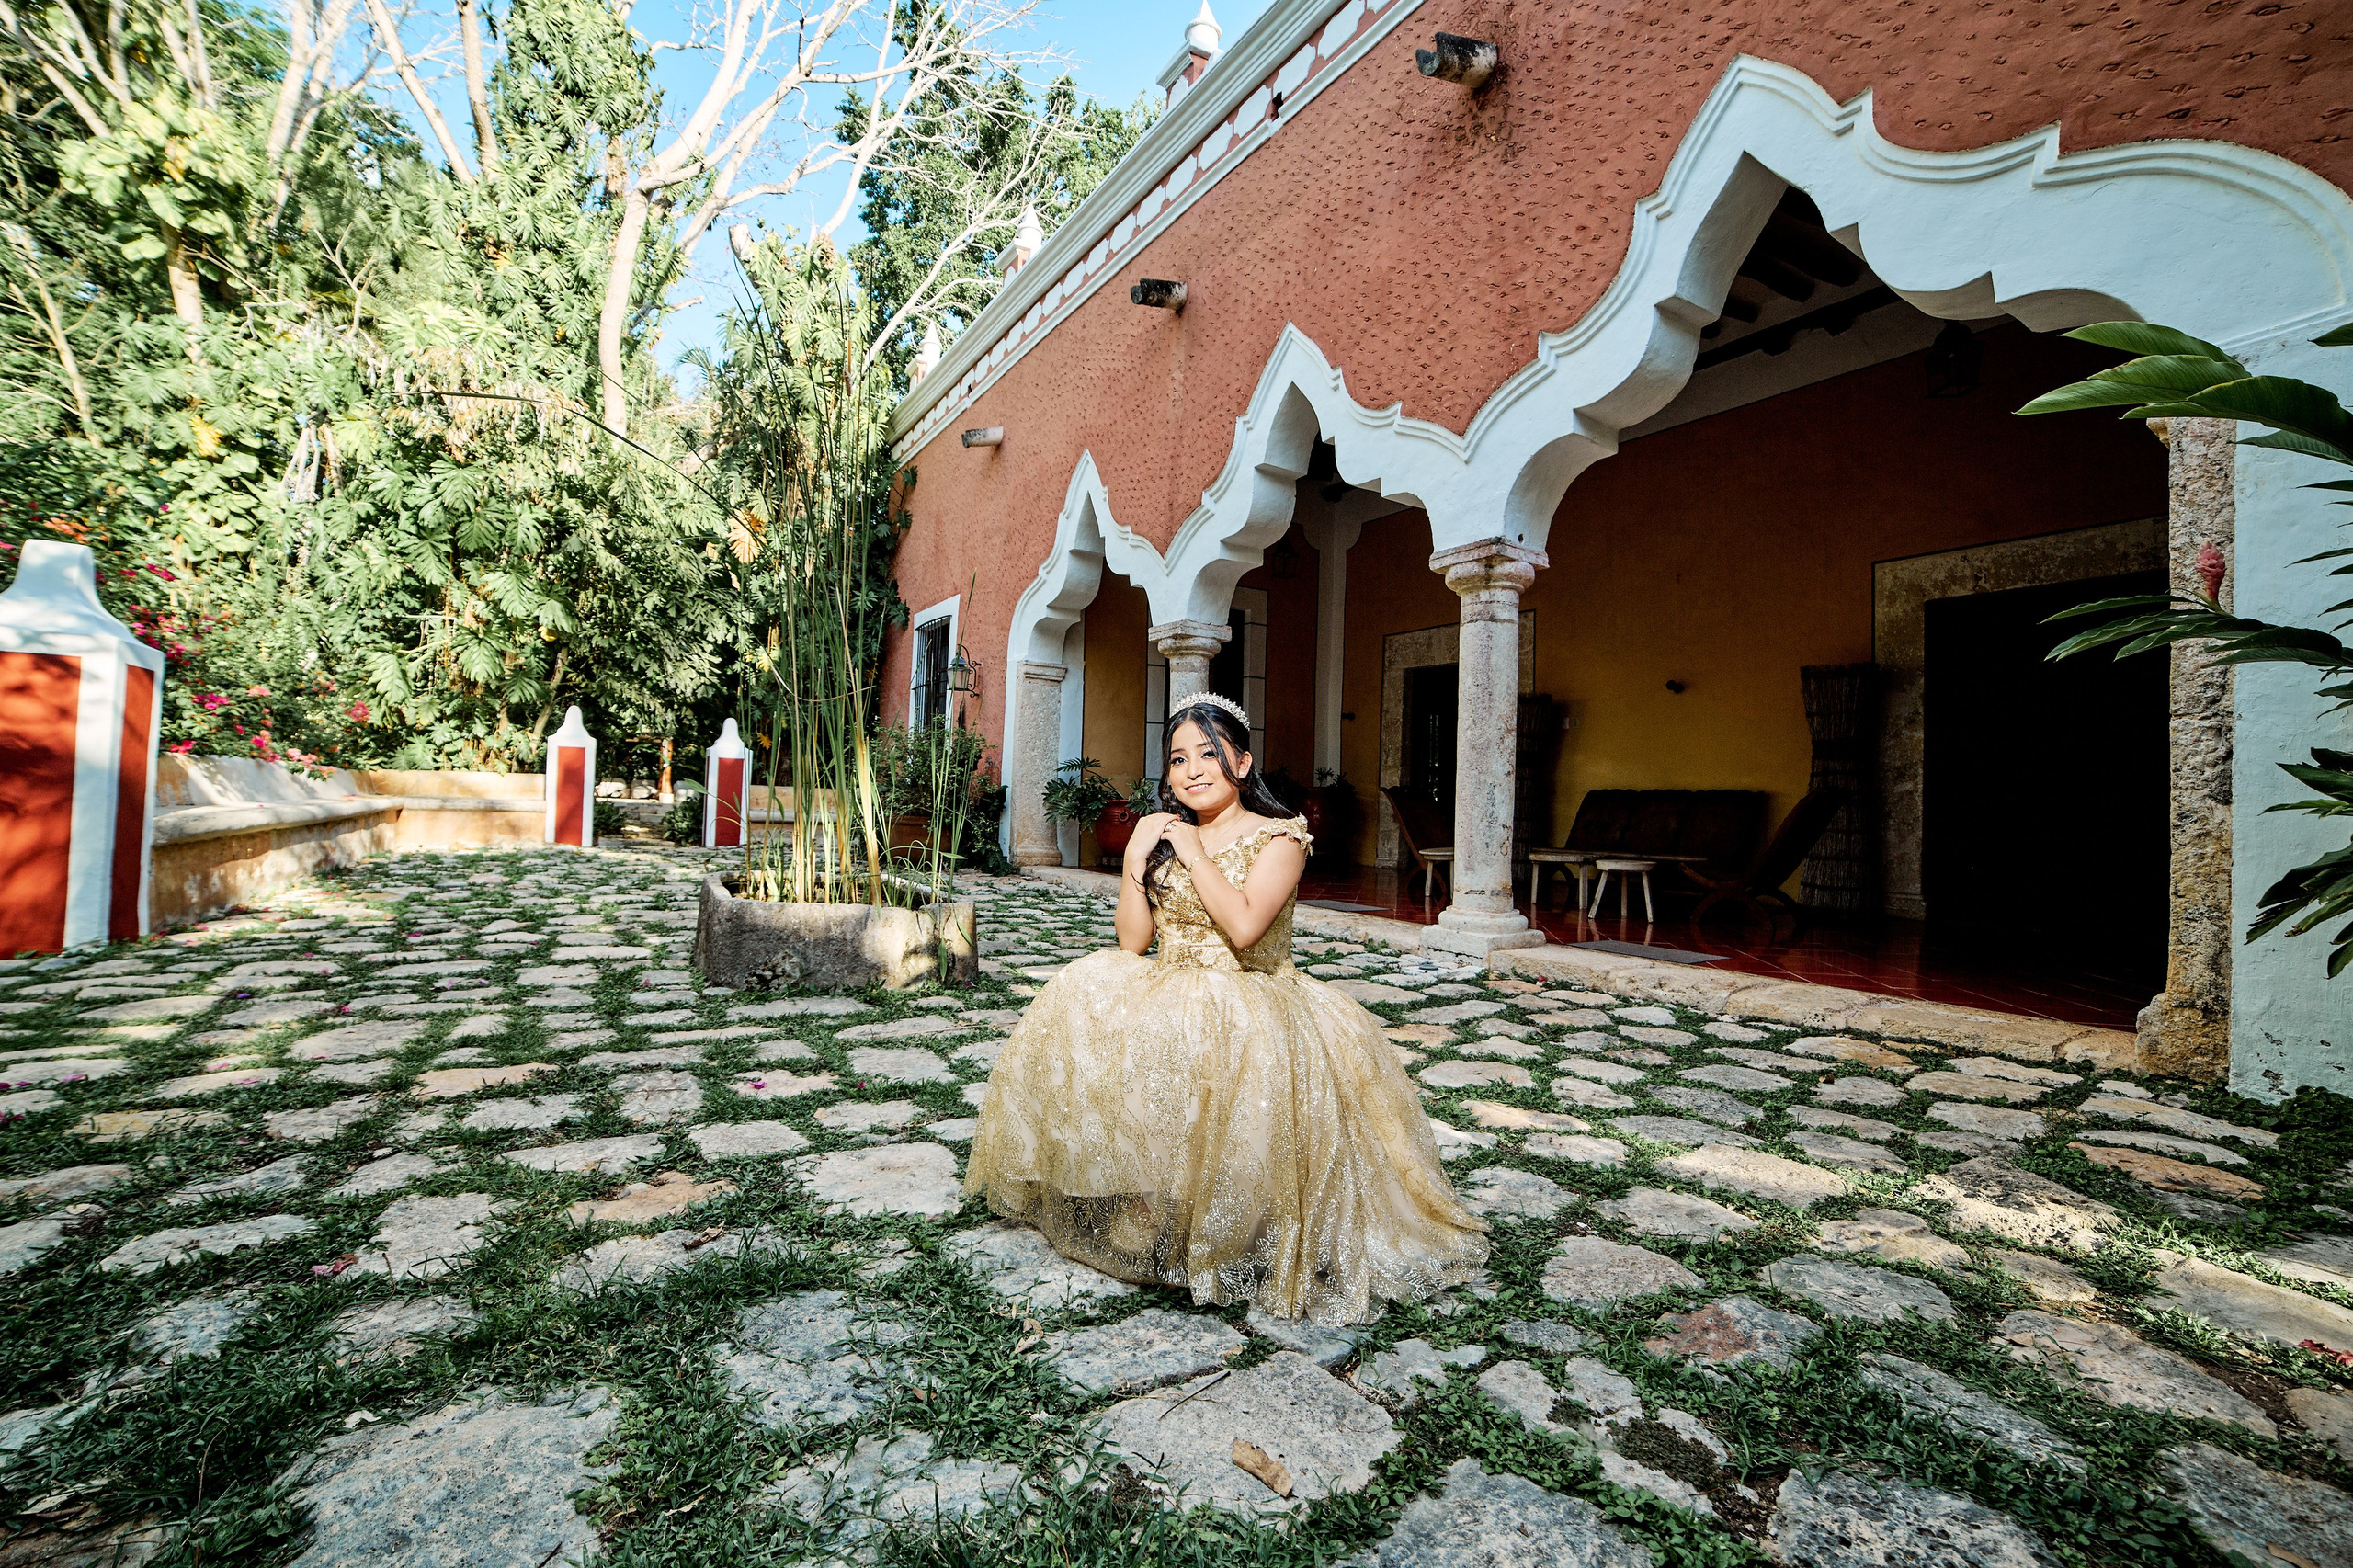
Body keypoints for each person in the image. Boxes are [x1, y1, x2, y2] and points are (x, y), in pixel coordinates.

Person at [964, 693, 1489, 1324]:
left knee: (1228, 1080)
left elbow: (1244, 927)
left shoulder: (1281, 836)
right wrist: (1136, 861)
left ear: (1241, 763)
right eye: (1178, 759)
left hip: (1255, 994)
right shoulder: (1163, 838)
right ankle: (1161, 1208)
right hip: (1172, 981)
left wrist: (1192, 852)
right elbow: (1133, 942)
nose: (1192, 771)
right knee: (1093, 1002)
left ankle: (1233, 1223)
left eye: (1208, 755)